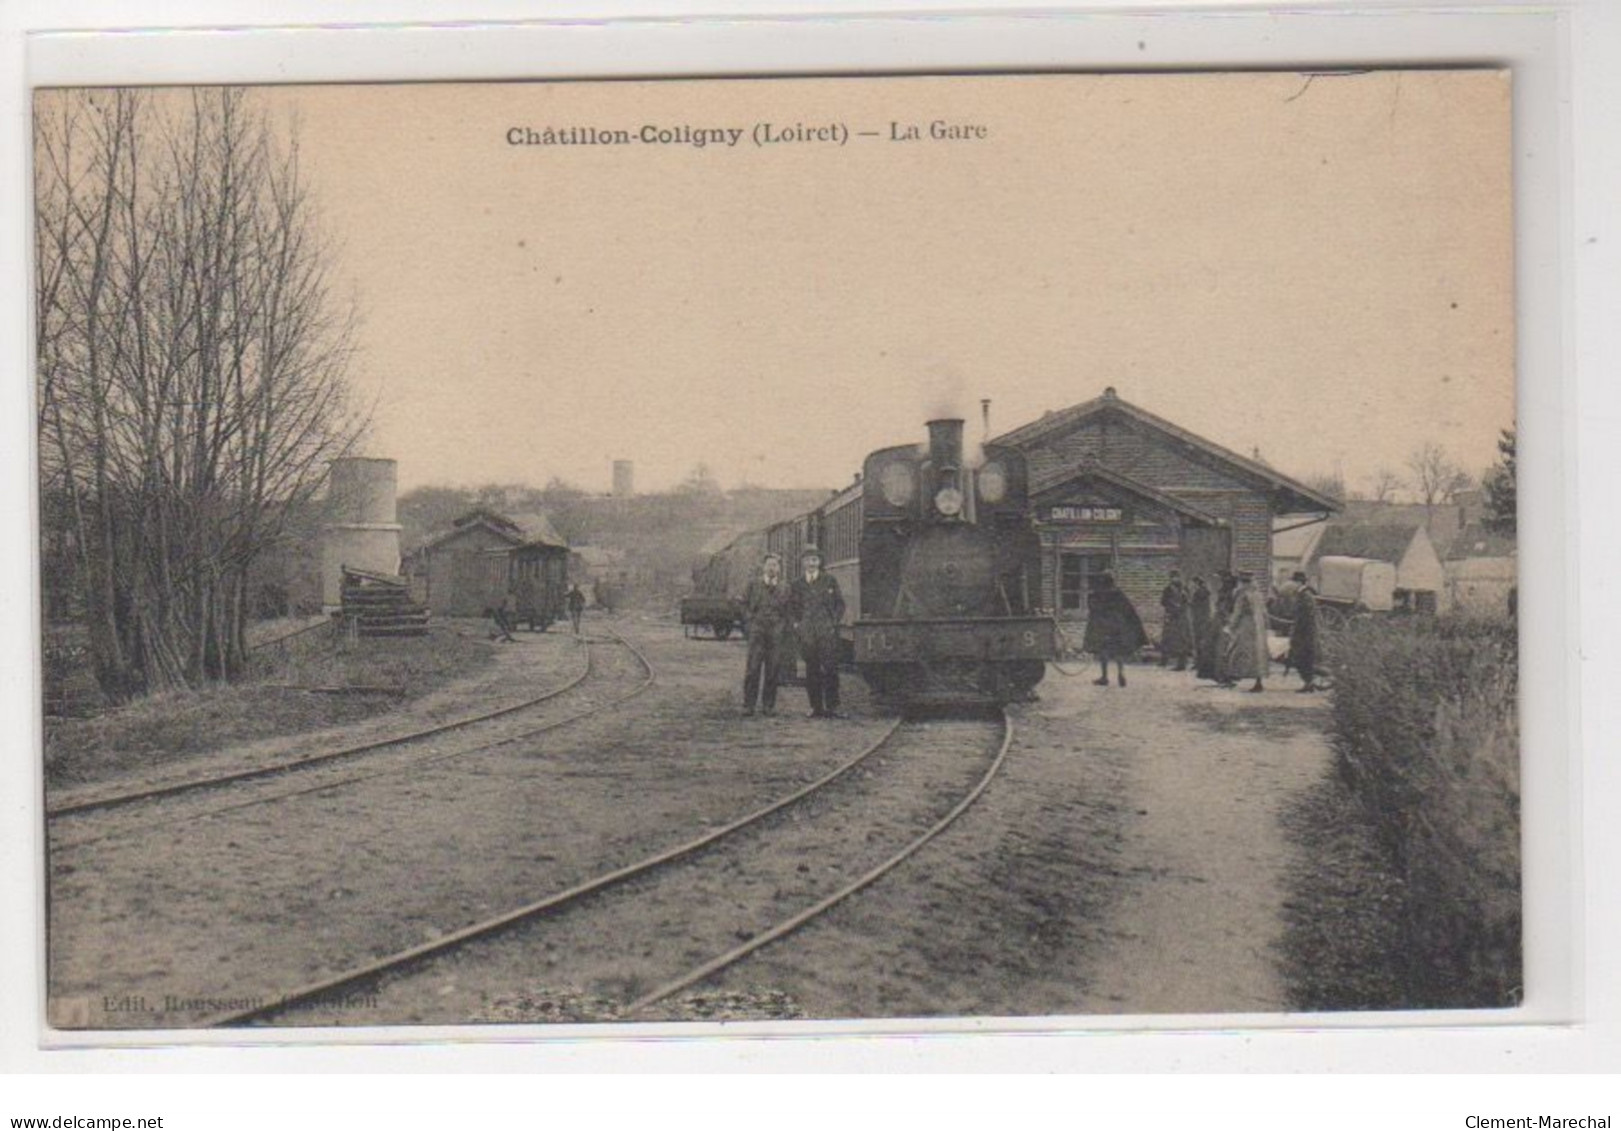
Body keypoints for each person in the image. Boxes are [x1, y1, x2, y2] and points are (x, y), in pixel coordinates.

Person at [789, 546, 845, 718]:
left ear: (819, 562)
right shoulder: (797, 584)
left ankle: (833, 706)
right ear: (803, 563)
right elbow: (791, 608)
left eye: (814, 560)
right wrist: (796, 624)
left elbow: (840, 604)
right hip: (807, 633)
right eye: (808, 560)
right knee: (811, 670)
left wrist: (833, 622)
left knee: (830, 669)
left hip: (826, 632)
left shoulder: (829, 581)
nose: (811, 564)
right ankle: (815, 707)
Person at [740, 553, 792, 716]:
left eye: (775, 565)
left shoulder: (785, 587)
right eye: (769, 565)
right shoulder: (753, 585)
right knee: (753, 668)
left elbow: (789, 611)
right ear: (763, 567)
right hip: (757, 631)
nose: (772, 568)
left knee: (773, 669)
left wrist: (783, 627)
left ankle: (768, 705)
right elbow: (743, 605)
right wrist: (749, 622)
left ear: (779, 569)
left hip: (776, 633)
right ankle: (749, 705)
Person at [1081, 571, 1147, 688]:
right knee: (1118, 651)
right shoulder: (1118, 593)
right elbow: (1128, 609)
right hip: (1117, 626)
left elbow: (1093, 609)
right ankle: (1121, 673)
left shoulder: (1097, 593)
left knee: (1103, 651)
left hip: (1102, 627)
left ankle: (1104, 677)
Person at [1221, 570, 1270, 693]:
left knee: (1235, 650)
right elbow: (1264, 613)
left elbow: (1237, 612)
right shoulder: (1257, 594)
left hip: (1245, 626)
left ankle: (1230, 677)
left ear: (1241, 582)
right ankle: (1258, 682)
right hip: (1258, 628)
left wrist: (1230, 626)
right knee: (1257, 654)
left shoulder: (1242, 594)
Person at [1288, 570, 1321, 692]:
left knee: (1304, 658)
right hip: (1303, 632)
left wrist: (1296, 630)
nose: (1293, 585)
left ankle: (1309, 683)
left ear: (1299, 582)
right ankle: (1308, 683)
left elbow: (1306, 617)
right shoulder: (1302, 594)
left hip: (1305, 633)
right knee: (1302, 658)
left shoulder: (1305, 595)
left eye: (1294, 582)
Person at [1158, 569, 1194, 671]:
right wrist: (1171, 605)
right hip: (1171, 616)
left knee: (1182, 640)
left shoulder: (1184, 589)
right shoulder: (1168, 589)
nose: (1175, 579)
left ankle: (1182, 663)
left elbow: (1188, 601)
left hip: (1182, 617)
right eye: (1173, 577)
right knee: (1167, 638)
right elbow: (1163, 601)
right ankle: (1164, 660)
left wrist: (1181, 605)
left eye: (1176, 576)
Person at [1190, 575, 1216, 679]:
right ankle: (1199, 662)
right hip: (1203, 620)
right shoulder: (1204, 592)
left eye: (1194, 583)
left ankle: (1200, 663)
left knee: (1200, 642)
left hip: (1200, 620)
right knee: (1200, 642)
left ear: (1197, 583)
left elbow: (1195, 606)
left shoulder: (1200, 592)